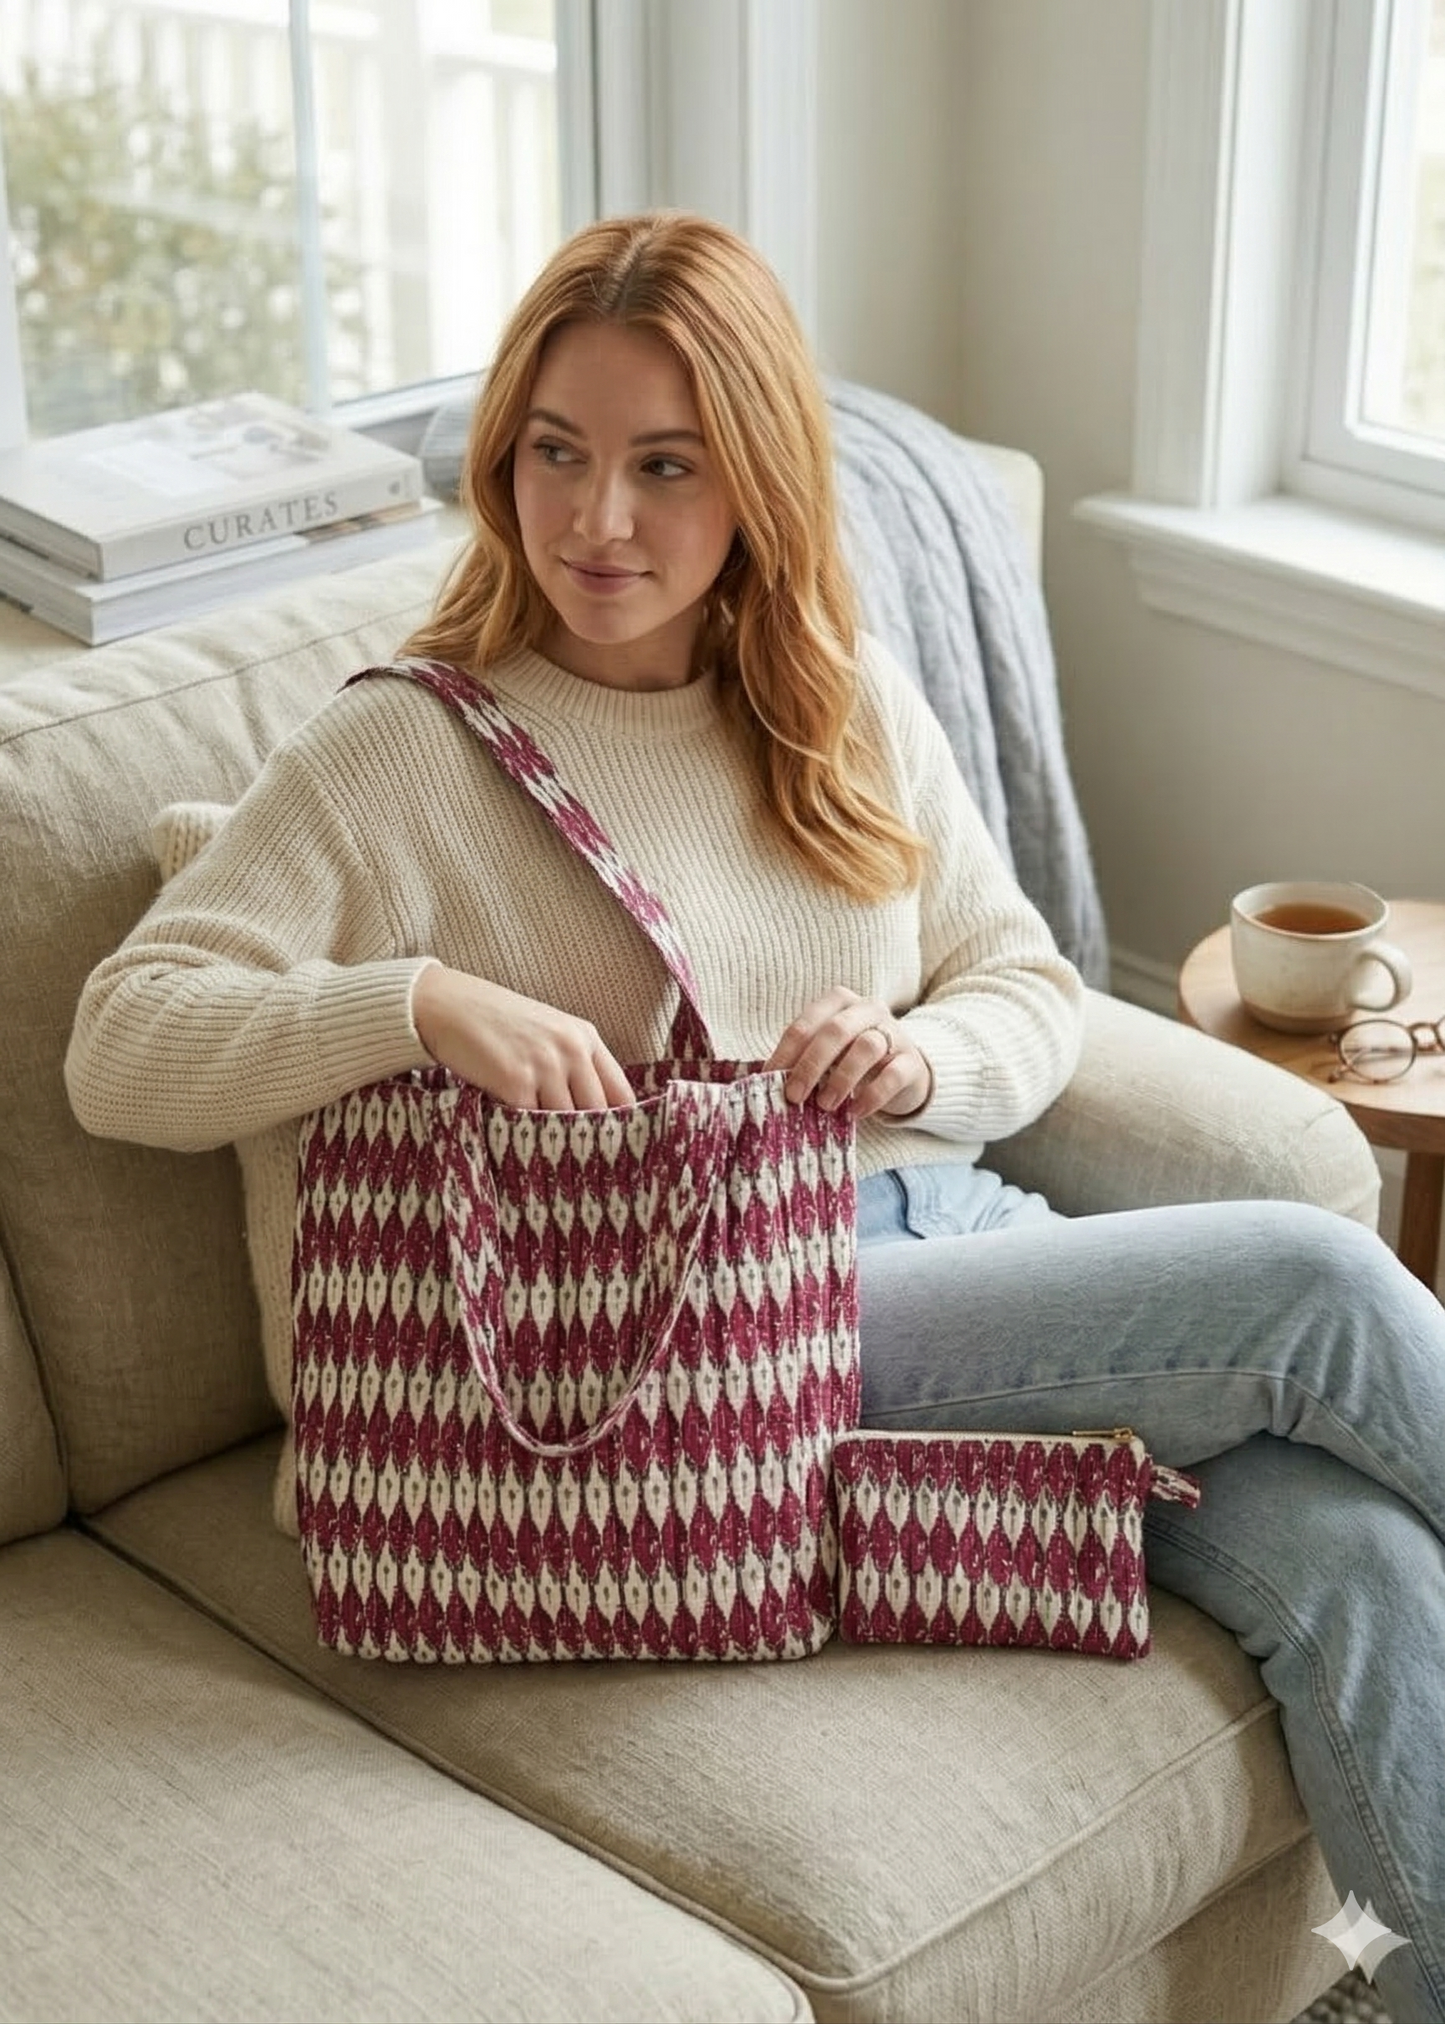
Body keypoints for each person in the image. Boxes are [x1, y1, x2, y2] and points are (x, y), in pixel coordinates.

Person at [65, 211, 1444, 2020]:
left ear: (758, 480)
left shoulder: (837, 704)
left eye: (663, 466)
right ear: (504, 457)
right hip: (720, 1329)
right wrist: (413, 1007)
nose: (597, 523)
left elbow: (1022, 981)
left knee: (1345, 1553)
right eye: (556, 454)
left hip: (964, 1258)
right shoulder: (410, 748)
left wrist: (924, 1063)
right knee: (1312, 1285)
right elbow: (124, 1044)